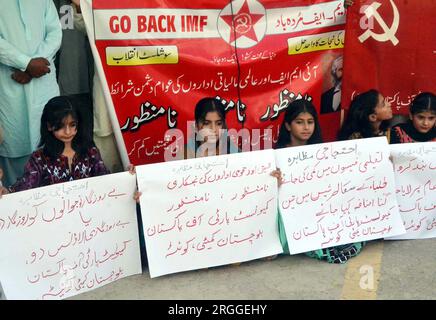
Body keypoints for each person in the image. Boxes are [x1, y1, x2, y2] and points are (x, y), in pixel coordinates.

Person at [0, 0, 62, 187]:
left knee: (51, 145)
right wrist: (26, 63)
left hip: (43, 81)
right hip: (9, 83)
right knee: (13, 150)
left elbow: (55, 32)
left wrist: (32, 67)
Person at [0, 96, 109, 195]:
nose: (67, 132)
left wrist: (125, 177)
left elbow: (106, 180)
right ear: (49, 126)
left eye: (72, 125)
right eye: (60, 126)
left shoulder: (90, 152)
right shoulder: (39, 158)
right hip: (54, 215)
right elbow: (25, 186)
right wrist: (6, 192)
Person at [69, 0, 123, 173]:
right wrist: (79, 6)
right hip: (108, 75)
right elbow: (85, 26)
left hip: (147, 76)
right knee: (106, 132)